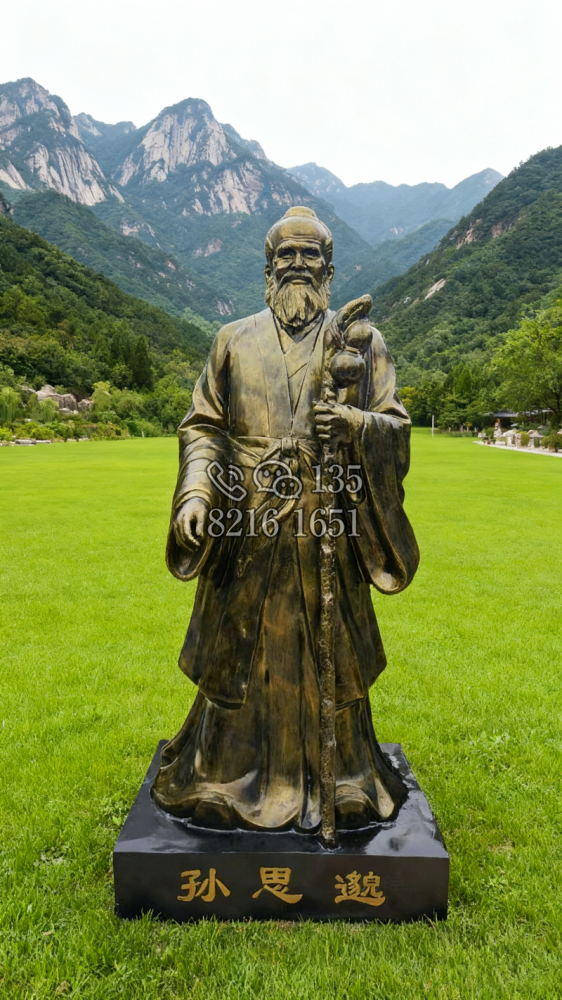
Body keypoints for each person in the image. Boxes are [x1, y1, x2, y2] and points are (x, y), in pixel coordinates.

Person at [151, 206, 419, 832]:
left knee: (334, 656)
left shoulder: (361, 343)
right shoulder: (232, 340)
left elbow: (395, 427)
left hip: (329, 526)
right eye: (286, 255)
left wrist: (353, 425)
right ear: (267, 268)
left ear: (330, 268)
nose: (298, 264)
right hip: (247, 527)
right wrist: (196, 494)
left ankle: (342, 778)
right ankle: (221, 777)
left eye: (310, 254)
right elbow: (204, 427)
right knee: (237, 656)